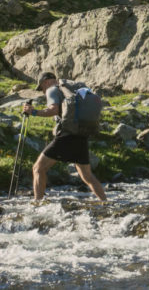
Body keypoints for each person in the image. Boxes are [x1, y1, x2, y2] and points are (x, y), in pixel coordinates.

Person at [22, 72, 107, 202]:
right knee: (87, 175)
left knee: (38, 168)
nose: (43, 91)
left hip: (66, 136)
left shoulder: (52, 90)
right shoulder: (73, 90)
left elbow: (53, 110)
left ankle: (37, 204)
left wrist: (33, 111)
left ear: (46, 82)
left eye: (41, 87)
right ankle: (105, 203)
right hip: (81, 135)